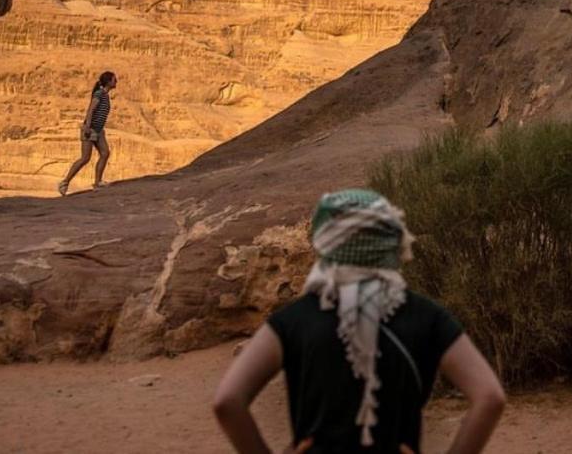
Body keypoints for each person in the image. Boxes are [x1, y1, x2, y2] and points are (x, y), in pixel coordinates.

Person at [213, 188, 505, 454]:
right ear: (391, 242)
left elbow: (227, 402)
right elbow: (489, 398)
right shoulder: (427, 317)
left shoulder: (293, 320)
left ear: (325, 241)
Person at [57, 70, 116, 195]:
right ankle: (65, 182)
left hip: (99, 131)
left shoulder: (105, 95)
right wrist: (88, 127)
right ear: (109, 81)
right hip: (90, 129)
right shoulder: (99, 93)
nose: (116, 82)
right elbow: (90, 110)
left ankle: (98, 182)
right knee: (85, 158)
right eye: (114, 79)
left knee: (105, 153)